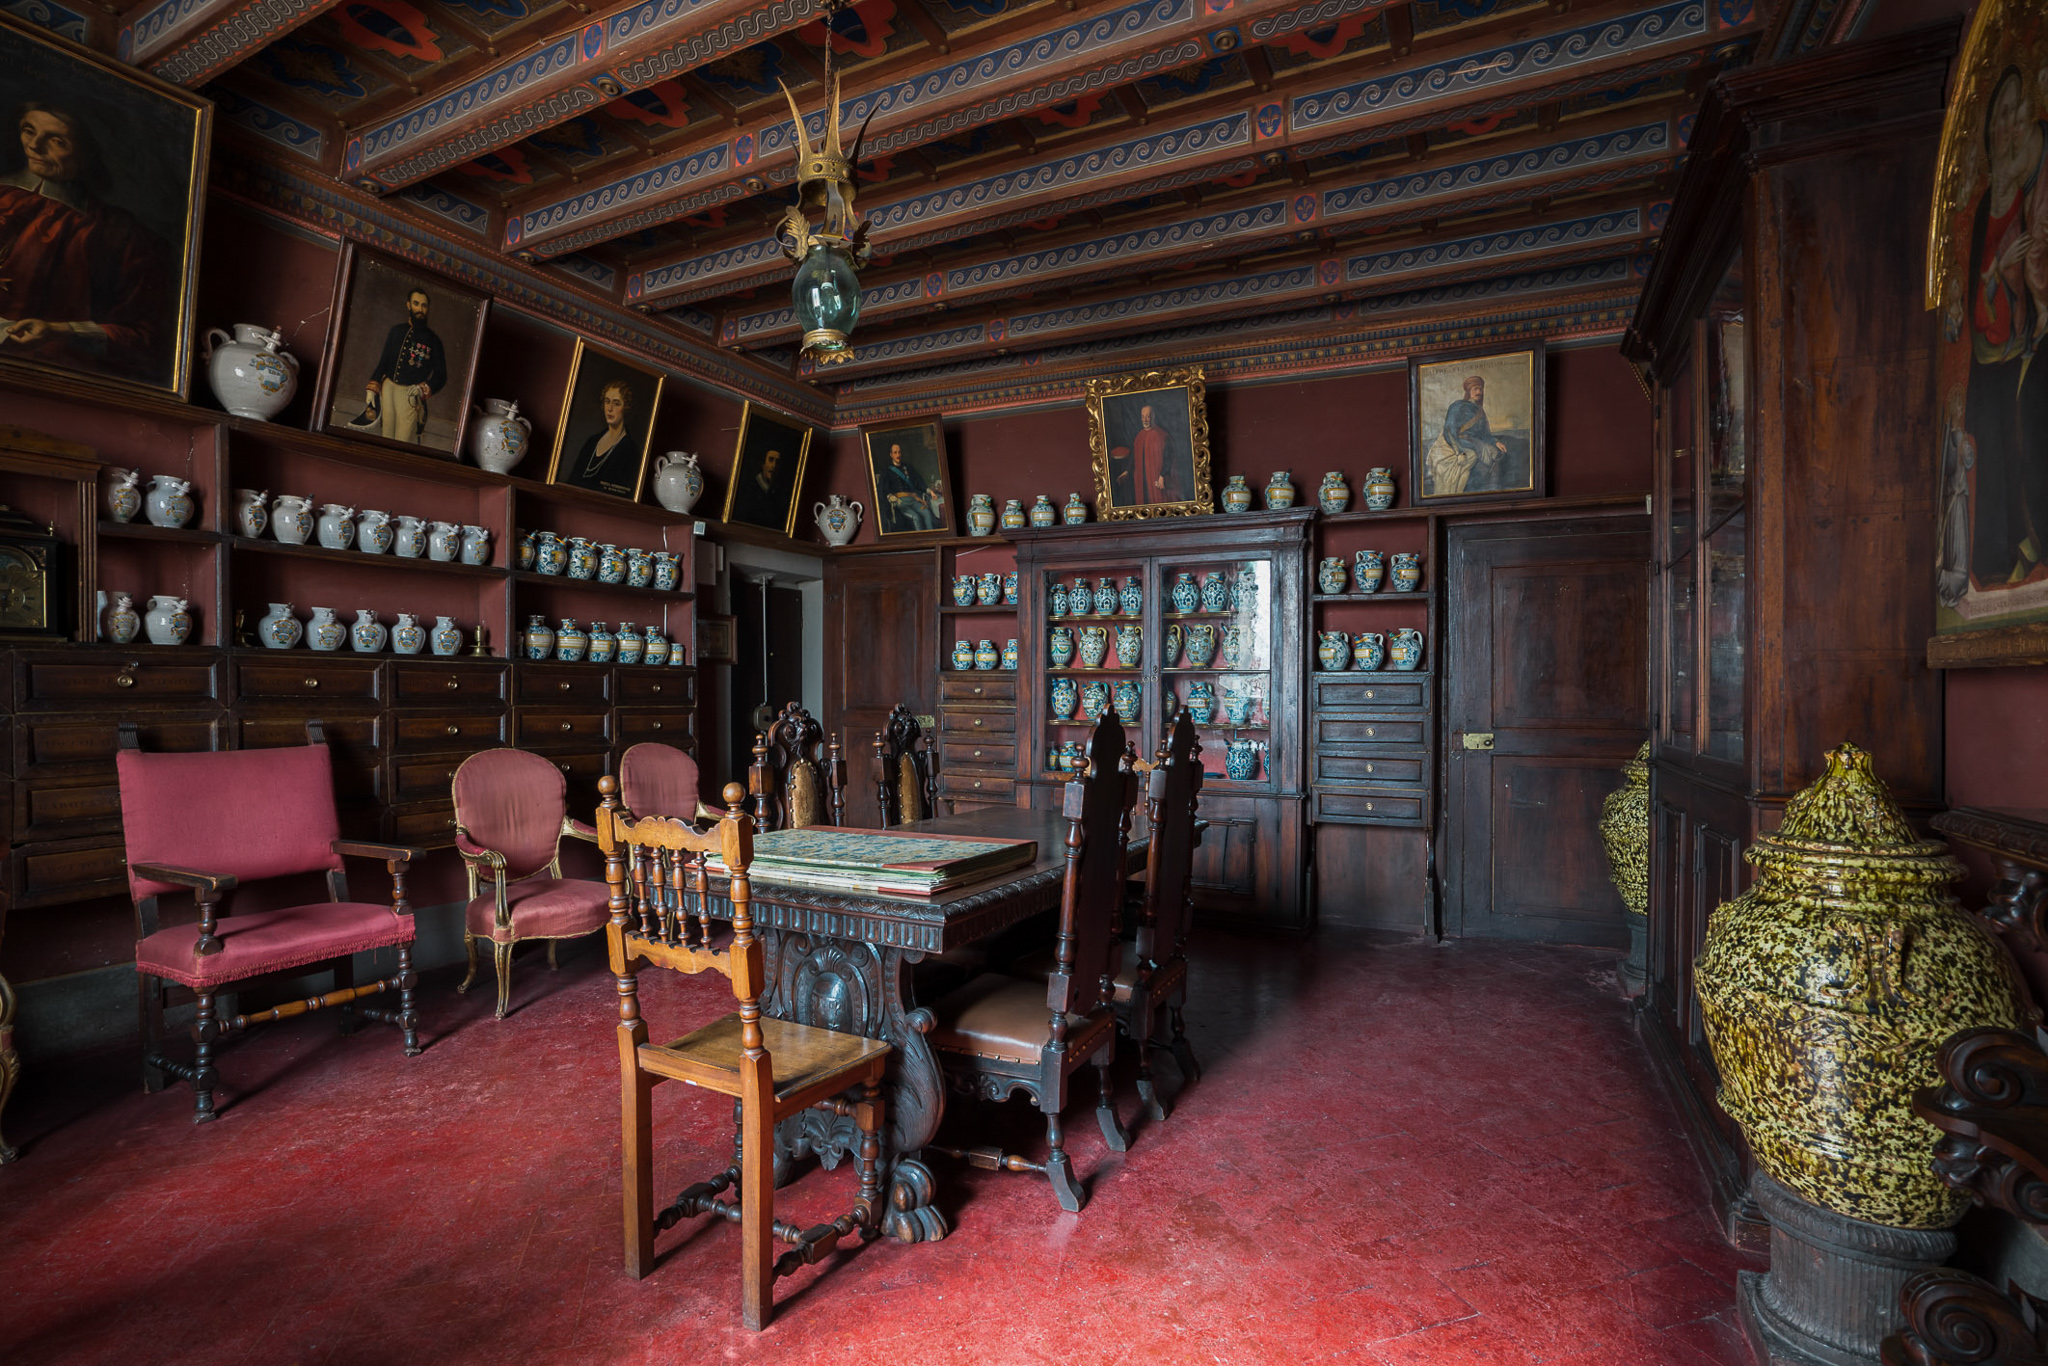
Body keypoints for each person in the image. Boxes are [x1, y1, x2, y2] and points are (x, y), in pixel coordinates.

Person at [0, 99, 173, 385]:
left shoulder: (119, 234)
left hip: (43, 383)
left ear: (88, 153)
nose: (34, 146)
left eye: (57, 141)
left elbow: (146, 340)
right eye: (29, 130)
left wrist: (62, 331)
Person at [1963, 66, 2048, 588]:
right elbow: (1977, 298)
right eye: (2001, 115)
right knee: (1996, 449)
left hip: (2023, 342)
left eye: (2016, 113)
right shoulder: (1985, 210)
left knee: (2026, 438)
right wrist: (1996, 270)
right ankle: (2005, 551)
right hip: (1990, 351)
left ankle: (2031, 541)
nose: (2008, 127)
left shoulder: (2028, 192)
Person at [348, 286, 447, 445]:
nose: (420, 309)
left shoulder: (434, 340)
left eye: (424, 305)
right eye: (416, 304)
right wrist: (371, 389)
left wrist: (422, 388)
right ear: (408, 305)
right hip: (388, 390)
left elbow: (441, 375)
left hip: (409, 395)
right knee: (386, 438)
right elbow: (383, 362)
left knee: (402, 443)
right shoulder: (396, 331)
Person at [568, 378, 641, 498]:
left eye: (616, 403)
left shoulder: (629, 449)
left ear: (626, 407)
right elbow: (572, 480)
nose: (610, 408)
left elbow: (619, 492)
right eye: (607, 402)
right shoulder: (592, 441)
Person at [1121, 403, 1188, 504]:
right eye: (1143, 417)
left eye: (1148, 416)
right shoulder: (1139, 436)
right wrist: (1127, 471)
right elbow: (1134, 456)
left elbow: (1168, 458)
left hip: (1157, 478)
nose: (1145, 420)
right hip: (1142, 479)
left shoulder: (1162, 436)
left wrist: (1162, 475)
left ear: (1153, 416)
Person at [876, 440, 939, 532]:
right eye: (895, 452)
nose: (898, 455)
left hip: (912, 499)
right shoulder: (887, 471)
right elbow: (883, 489)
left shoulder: (908, 467)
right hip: (900, 502)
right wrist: (889, 496)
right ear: (891, 454)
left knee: (927, 513)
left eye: (899, 452)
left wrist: (931, 492)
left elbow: (918, 481)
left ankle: (933, 536)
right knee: (916, 517)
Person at [728, 445, 795, 528]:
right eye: (771, 460)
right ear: (763, 464)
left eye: (777, 462)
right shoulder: (748, 488)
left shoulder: (780, 492)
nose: (774, 465)